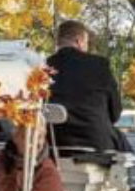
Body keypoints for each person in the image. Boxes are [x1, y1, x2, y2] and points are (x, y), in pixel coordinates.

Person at [47, 19, 126, 153]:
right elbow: (115, 113)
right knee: (127, 151)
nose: (87, 47)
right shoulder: (99, 65)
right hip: (96, 144)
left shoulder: (43, 67)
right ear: (79, 41)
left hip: (53, 145)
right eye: (86, 43)